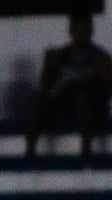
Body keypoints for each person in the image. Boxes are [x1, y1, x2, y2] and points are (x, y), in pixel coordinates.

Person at [25, 13, 112, 157]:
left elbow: (107, 91)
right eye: (78, 29)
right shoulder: (55, 57)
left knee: (83, 97)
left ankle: (86, 153)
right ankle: (30, 151)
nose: (82, 34)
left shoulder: (101, 58)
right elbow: (45, 89)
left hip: (92, 110)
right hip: (62, 105)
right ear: (71, 31)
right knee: (40, 102)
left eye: (85, 30)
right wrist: (62, 83)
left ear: (91, 31)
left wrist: (87, 79)